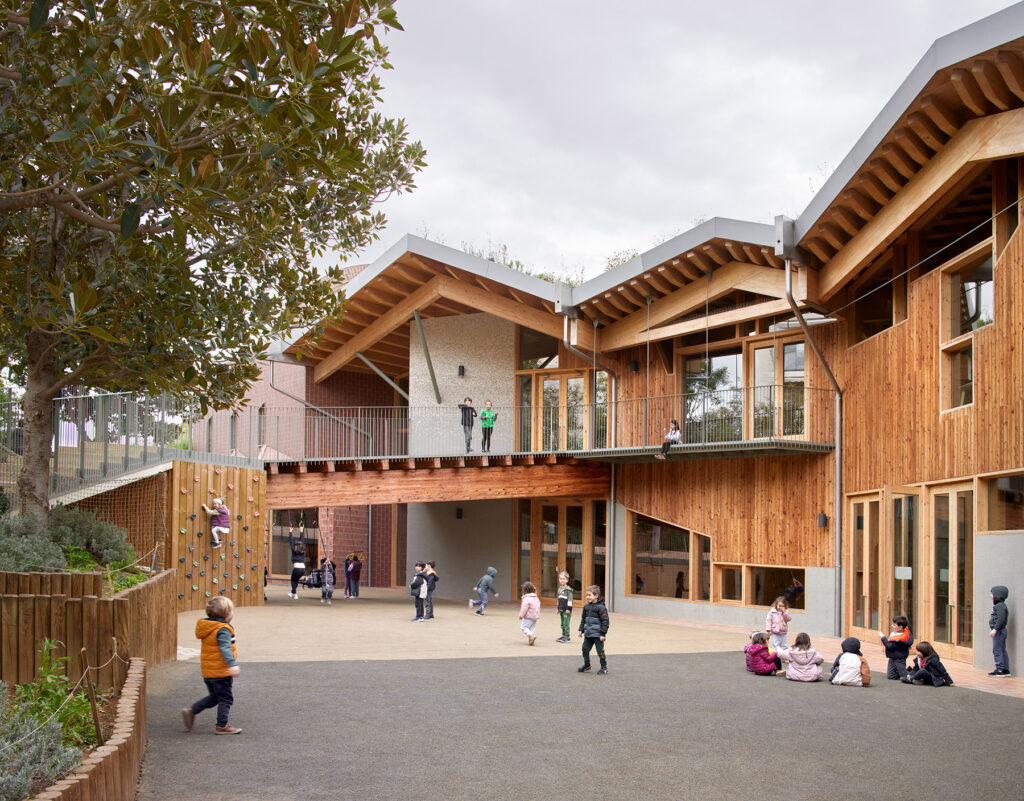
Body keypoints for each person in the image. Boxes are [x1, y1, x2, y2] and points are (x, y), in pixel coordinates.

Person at [182, 596, 241, 735]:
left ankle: (192, 710)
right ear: (226, 614)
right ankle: (222, 725)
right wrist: (232, 665)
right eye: (231, 610)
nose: (233, 613)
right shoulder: (223, 629)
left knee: (215, 697)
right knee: (226, 698)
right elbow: (225, 648)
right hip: (221, 671)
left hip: (209, 672)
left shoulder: (208, 627)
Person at [577, 584, 609, 674]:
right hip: (588, 633)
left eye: (589, 595)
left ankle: (604, 667)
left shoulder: (601, 608)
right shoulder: (586, 607)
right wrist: (581, 629)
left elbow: (605, 621)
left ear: (596, 596)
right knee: (584, 649)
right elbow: (583, 619)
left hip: (598, 634)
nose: (587, 597)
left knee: (600, 651)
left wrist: (603, 634)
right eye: (587, 595)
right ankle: (587, 665)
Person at [878, 615, 913, 680]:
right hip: (892, 657)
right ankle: (901, 672)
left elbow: (889, 646)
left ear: (900, 627)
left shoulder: (901, 637)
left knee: (904, 675)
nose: (892, 627)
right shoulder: (895, 633)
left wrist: (883, 637)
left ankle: (912, 674)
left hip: (899, 658)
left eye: (894, 625)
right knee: (890, 676)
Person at [989, 585, 1011, 677]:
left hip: (999, 631)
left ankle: (1000, 669)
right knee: (1002, 649)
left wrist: (995, 629)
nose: (990, 596)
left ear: (997, 594)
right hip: (1001, 631)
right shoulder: (1000, 605)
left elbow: (1001, 619)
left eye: (992, 594)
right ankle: (1005, 669)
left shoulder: (999, 606)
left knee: (997, 650)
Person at [519, 581, 541, 645]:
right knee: (531, 628)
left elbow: (524, 608)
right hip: (535, 616)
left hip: (528, 616)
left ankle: (531, 636)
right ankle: (531, 640)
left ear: (524, 591)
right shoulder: (536, 597)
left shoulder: (526, 598)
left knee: (523, 627)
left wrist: (521, 615)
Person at [287, 529, 306, 599]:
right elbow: (302, 540)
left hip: (297, 568)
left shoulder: (293, 549)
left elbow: (291, 541)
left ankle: (294, 593)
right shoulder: (303, 549)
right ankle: (293, 592)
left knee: (293, 580)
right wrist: (301, 531)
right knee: (296, 580)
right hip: (303, 568)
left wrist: (290, 531)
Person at [555, 570, 573, 643]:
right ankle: (563, 635)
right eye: (560, 579)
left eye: (564, 579)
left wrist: (569, 609)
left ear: (567, 580)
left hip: (566, 610)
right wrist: (558, 608)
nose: (562, 580)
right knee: (562, 623)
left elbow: (570, 600)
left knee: (566, 623)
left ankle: (567, 636)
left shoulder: (568, 590)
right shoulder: (559, 589)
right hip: (561, 609)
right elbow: (559, 599)